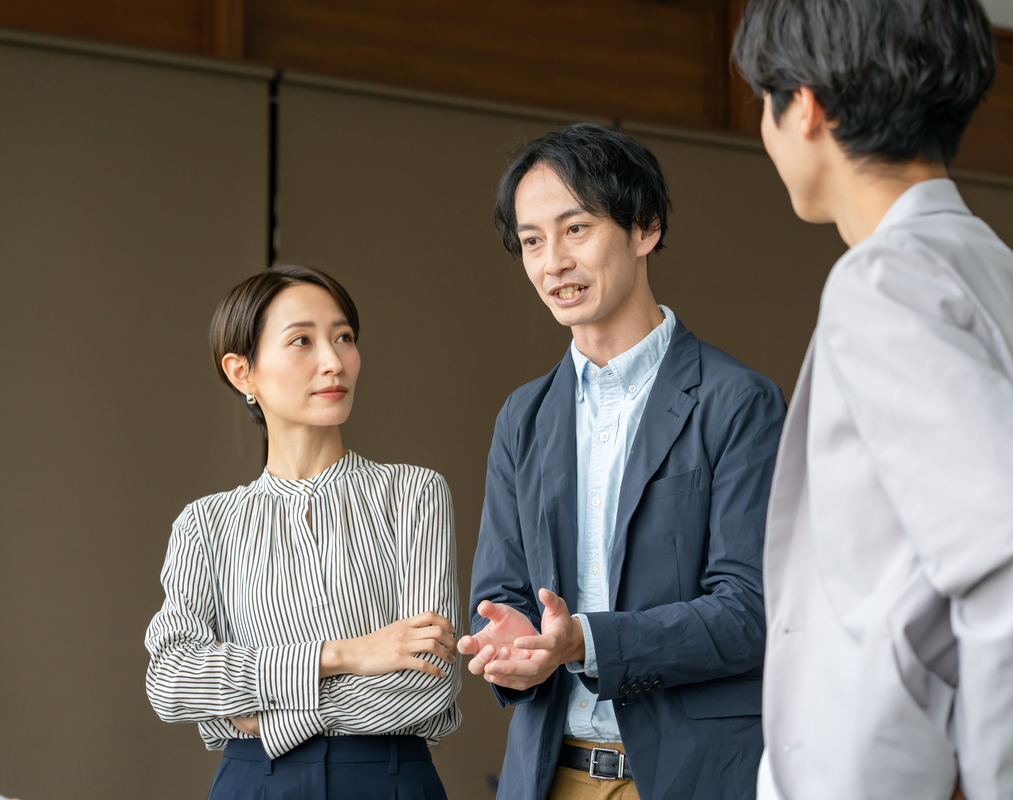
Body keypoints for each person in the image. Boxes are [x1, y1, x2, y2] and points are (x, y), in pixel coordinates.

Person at [732, 1, 1013, 799]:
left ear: (806, 107)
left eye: (765, 101)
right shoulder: (1008, 280)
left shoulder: (883, 281)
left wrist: (996, 779)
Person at [458, 124, 786, 800]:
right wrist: (510, 647)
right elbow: (501, 597)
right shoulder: (524, 416)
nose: (553, 262)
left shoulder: (737, 401)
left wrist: (585, 641)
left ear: (645, 228)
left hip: (692, 779)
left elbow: (750, 611)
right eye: (531, 241)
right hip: (552, 776)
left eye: (575, 229)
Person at [144, 265, 460, 799]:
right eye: (302, 341)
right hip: (254, 784)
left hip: (387, 780)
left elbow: (427, 686)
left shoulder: (413, 494)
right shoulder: (206, 524)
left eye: (344, 337)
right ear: (242, 373)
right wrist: (343, 655)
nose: (334, 361)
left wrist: (268, 717)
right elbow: (172, 681)